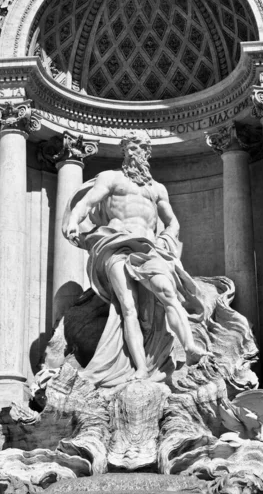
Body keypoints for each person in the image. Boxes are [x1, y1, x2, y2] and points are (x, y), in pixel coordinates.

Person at [63, 130, 207, 382]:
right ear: (124, 151)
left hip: (149, 249)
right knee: (127, 308)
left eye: (139, 148)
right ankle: (141, 368)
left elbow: (172, 223)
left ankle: (190, 347)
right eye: (130, 147)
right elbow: (86, 203)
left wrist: (165, 240)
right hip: (115, 245)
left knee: (168, 293)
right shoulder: (111, 178)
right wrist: (74, 220)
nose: (134, 152)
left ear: (147, 153)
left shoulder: (158, 189)